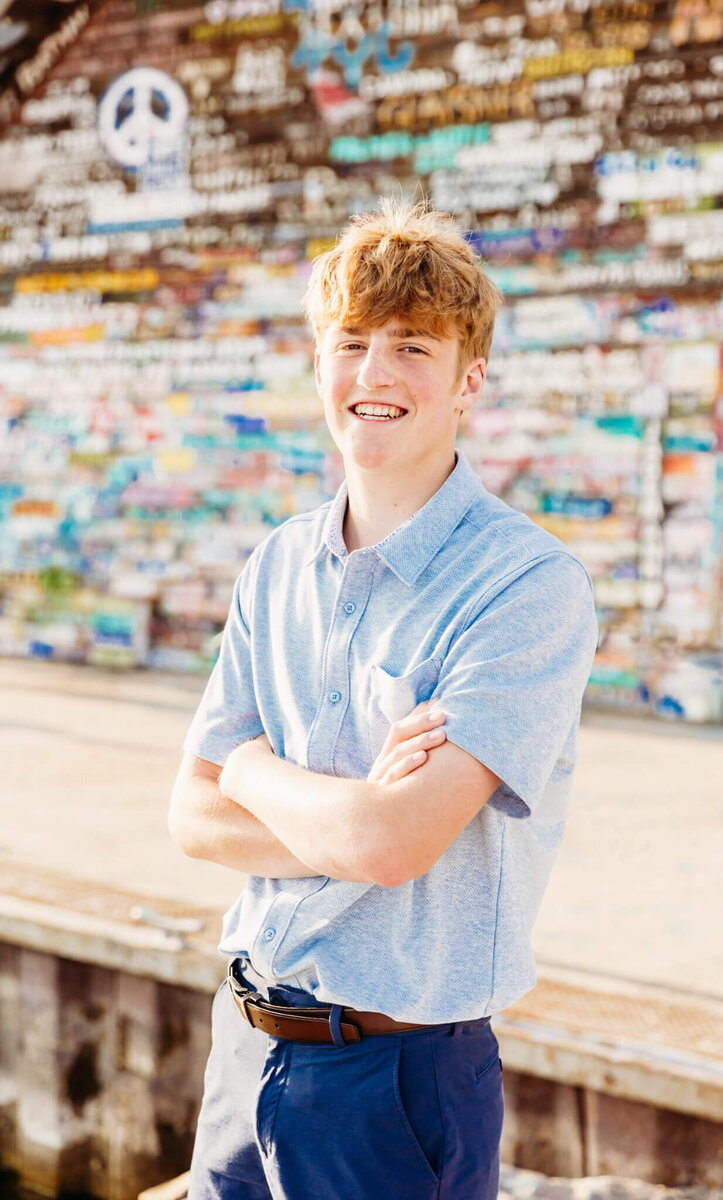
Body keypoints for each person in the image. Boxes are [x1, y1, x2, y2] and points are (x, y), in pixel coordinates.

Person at [169, 197, 599, 1200]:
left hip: (394, 1081)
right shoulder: (277, 562)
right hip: (242, 1046)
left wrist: (250, 767)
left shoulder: (525, 587)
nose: (373, 372)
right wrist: (333, 804)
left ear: (467, 381)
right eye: (351, 341)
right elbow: (190, 815)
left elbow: (394, 845)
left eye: (412, 345)